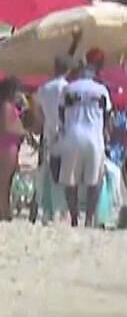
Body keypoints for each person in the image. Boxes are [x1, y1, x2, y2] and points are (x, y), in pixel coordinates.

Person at [56, 62, 110, 228]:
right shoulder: (102, 90)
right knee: (94, 181)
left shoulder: (69, 88)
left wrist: (66, 127)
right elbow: (107, 115)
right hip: (95, 138)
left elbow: (61, 111)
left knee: (70, 180)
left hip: (73, 135)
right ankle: (88, 218)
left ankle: (74, 218)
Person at [30, 60, 73, 226]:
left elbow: (38, 112)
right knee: (64, 173)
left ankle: (46, 210)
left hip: (48, 132)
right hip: (64, 133)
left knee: (46, 172)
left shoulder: (44, 88)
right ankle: (63, 210)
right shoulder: (67, 87)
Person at [0, 79, 25, 223]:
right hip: (7, 145)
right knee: (4, 182)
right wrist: (21, 131)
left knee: (7, 182)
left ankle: (5, 210)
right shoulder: (6, 106)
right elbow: (6, 128)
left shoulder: (8, 106)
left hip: (9, 146)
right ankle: (4, 212)